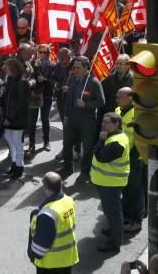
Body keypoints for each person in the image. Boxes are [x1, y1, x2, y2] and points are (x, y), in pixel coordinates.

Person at [56, 56, 105, 181]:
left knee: (87, 147)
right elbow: (68, 100)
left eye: (78, 68)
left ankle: (85, 172)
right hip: (72, 118)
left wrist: (86, 105)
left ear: (86, 68)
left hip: (87, 120)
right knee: (67, 144)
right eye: (74, 67)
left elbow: (101, 102)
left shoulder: (94, 82)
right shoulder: (72, 80)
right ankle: (67, 168)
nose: (75, 70)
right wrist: (66, 115)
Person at [91, 112, 130, 254]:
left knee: (113, 212)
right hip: (106, 182)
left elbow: (100, 156)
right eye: (103, 122)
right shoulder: (113, 136)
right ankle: (114, 230)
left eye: (107, 122)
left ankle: (115, 243)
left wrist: (100, 141)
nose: (103, 125)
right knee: (109, 210)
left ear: (116, 124)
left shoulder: (116, 143)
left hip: (111, 183)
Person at [27, 172, 79, 273]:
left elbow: (40, 247)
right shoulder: (69, 201)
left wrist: (32, 255)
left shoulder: (47, 214)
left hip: (50, 265)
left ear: (45, 188)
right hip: (67, 259)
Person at [116, 87, 145, 233]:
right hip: (121, 158)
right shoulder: (117, 111)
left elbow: (142, 138)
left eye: (119, 97)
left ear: (130, 98)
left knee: (135, 191)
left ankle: (136, 221)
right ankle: (126, 217)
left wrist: (132, 155)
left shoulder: (137, 114)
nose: (117, 100)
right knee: (126, 190)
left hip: (133, 157)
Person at [2, 57, 30, 179]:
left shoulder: (21, 82)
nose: (5, 70)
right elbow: (6, 98)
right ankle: (15, 163)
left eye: (7, 68)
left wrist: (11, 118)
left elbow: (21, 103)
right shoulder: (10, 80)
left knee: (17, 143)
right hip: (8, 116)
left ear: (12, 68)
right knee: (10, 139)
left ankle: (19, 166)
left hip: (17, 118)